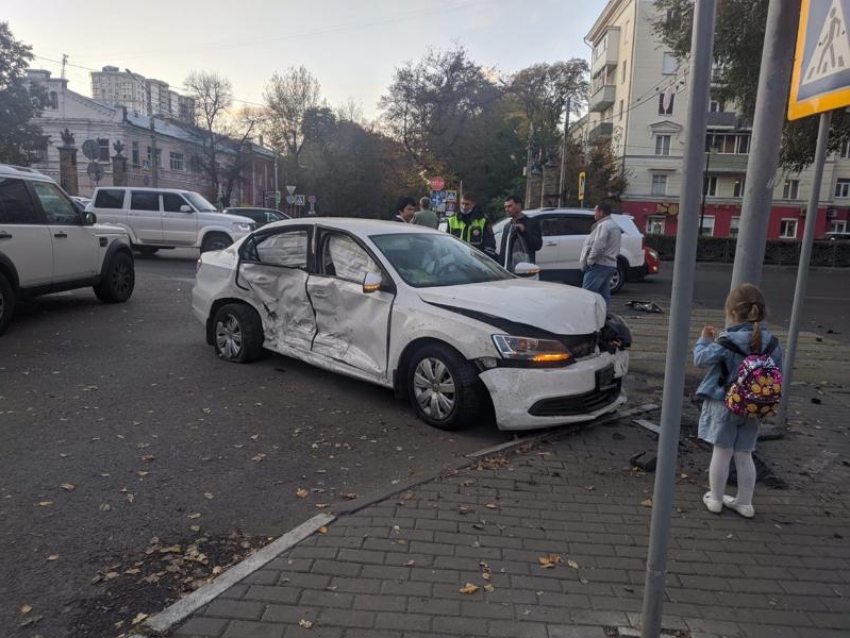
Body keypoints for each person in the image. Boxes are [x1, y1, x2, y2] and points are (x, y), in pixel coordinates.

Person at [694, 284, 783, 518]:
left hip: (724, 403)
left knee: (721, 452)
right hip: (754, 407)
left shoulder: (728, 340)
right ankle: (745, 503)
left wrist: (703, 340)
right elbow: (778, 372)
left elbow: (700, 360)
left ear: (732, 311)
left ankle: (715, 499)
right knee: (744, 453)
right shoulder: (773, 343)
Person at [579, 202, 621, 309]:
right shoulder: (614, 225)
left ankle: (585, 317)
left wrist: (590, 261)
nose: (594, 213)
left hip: (600, 264)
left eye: (595, 211)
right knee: (604, 294)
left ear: (601, 212)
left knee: (586, 294)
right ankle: (605, 318)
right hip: (610, 265)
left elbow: (598, 246)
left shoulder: (604, 225)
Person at [446, 193, 497, 257]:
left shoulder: (483, 220)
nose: (464, 207)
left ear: (473, 204)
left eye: (467, 204)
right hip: (456, 259)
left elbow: (490, 245)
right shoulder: (452, 220)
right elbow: (447, 243)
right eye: (462, 204)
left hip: (475, 261)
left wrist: (483, 260)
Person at [503, 195, 542, 262]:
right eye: (505, 207)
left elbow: (537, 245)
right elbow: (503, 251)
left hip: (526, 267)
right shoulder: (508, 226)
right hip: (510, 268)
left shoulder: (532, 222)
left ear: (519, 205)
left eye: (509, 206)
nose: (507, 209)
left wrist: (524, 231)